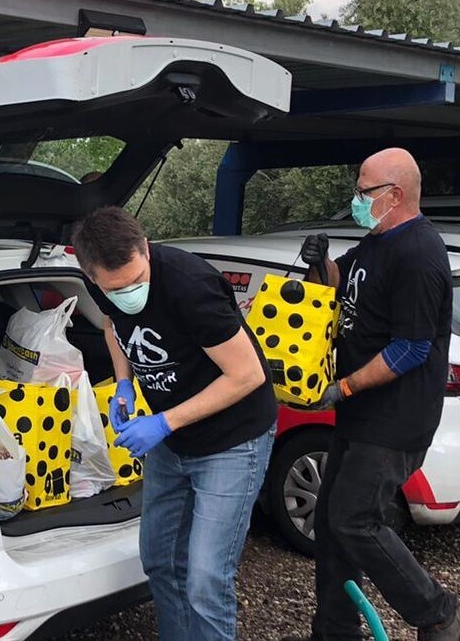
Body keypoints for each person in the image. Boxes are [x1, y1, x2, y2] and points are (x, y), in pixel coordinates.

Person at [72, 206, 277, 641]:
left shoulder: (191, 285)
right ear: (91, 276)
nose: (129, 292)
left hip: (233, 439)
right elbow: (114, 326)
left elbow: (247, 375)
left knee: (206, 578)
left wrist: (163, 424)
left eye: (136, 279)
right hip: (174, 439)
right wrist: (124, 384)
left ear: (145, 248)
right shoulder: (105, 288)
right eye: (115, 287)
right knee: (161, 559)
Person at [284, 148, 459, 641]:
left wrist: (343, 387)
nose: (356, 199)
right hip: (361, 416)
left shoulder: (420, 253)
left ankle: (439, 613)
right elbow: (339, 284)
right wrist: (320, 265)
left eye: (364, 191)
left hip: (395, 419)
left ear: (395, 195)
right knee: (332, 522)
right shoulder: (376, 240)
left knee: (354, 518)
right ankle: (335, 631)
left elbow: (410, 349)